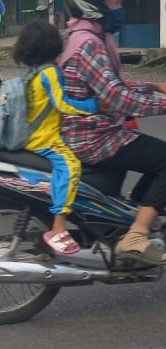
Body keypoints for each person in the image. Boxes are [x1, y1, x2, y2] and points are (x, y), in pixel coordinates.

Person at [58, 0, 166, 267]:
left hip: (87, 131)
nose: (120, 6)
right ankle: (136, 235)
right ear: (92, 3)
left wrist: (154, 86)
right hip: (94, 137)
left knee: (156, 157)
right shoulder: (88, 44)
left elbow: (109, 86)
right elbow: (116, 98)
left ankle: (132, 217)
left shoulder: (85, 37)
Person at [12, 21, 100, 256]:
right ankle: (59, 227)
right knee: (70, 165)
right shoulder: (50, 72)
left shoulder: (33, 73)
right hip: (45, 138)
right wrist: (95, 105)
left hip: (32, 135)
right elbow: (63, 104)